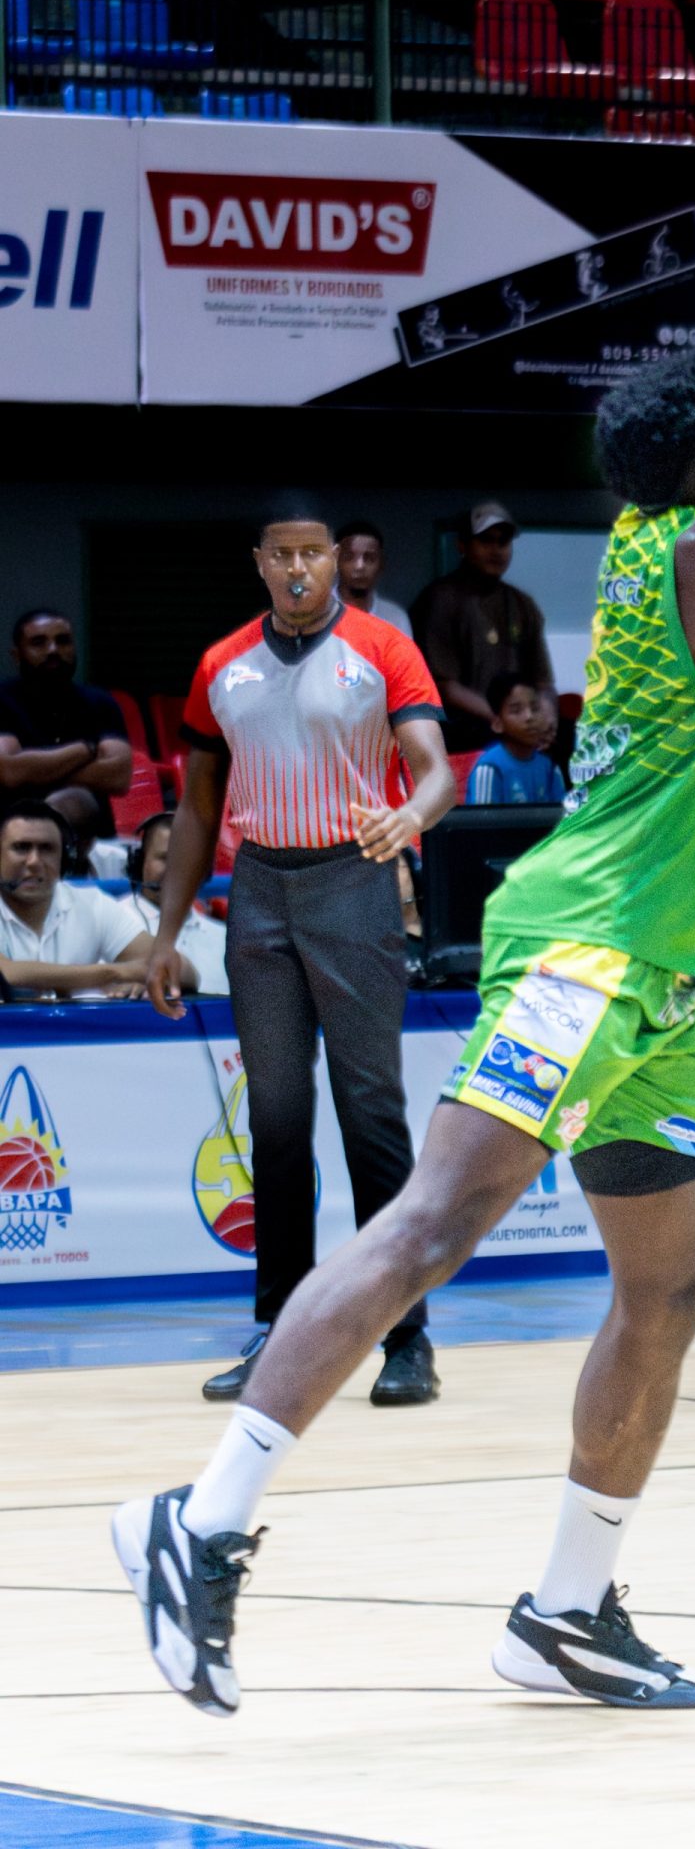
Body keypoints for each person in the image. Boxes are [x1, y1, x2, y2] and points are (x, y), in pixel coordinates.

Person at [116, 0, 695, 1720]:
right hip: (587, 943)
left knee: (669, 1289)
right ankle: (198, 1525)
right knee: (433, 1223)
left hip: (657, 974)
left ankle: (566, 1609)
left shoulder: (688, 506)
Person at [145, 509, 457, 1409]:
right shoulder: (222, 664)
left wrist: (410, 817)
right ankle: (279, 1336)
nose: (296, 568)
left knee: (371, 1115)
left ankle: (406, 1338)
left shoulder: (383, 648)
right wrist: (167, 934)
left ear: (334, 563)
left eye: (311, 553)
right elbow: (197, 808)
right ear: (259, 563)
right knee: (276, 1120)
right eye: (280, 554)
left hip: (353, 880)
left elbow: (436, 770)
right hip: (260, 891)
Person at [411, 501, 557, 753]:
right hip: (464, 728)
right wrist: (504, 721)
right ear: (462, 546)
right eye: (486, 540)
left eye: (503, 542)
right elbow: (445, 687)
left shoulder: (522, 604)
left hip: (515, 723)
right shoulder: (440, 600)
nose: (495, 550)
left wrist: (547, 716)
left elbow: (542, 682)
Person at [0, 607, 133, 868]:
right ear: (17, 655)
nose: (53, 650)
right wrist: (86, 750)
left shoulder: (100, 702)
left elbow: (119, 776)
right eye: (39, 642)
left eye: (62, 641)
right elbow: (9, 771)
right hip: (14, 844)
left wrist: (34, 769)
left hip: (93, 842)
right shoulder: (3, 700)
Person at [0, 800, 155, 1000]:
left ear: (65, 859)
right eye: (21, 847)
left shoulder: (93, 904)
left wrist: (142, 979)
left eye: (47, 849)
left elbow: (178, 968)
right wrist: (115, 973)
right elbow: (7, 974)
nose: (34, 861)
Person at [124, 813, 228, 996]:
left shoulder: (226, 939)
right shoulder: (108, 921)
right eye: (165, 858)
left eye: (186, 860)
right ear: (139, 862)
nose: (176, 870)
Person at [466, 673, 569, 806]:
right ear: (498, 724)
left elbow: (564, 815)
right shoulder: (490, 768)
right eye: (516, 710)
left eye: (535, 708)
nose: (529, 717)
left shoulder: (549, 767)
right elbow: (483, 818)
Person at [335, 519, 414, 638]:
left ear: (381, 564)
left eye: (369, 558)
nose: (359, 566)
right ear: (334, 561)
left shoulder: (395, 618)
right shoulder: (317, 613)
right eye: (349, 557)